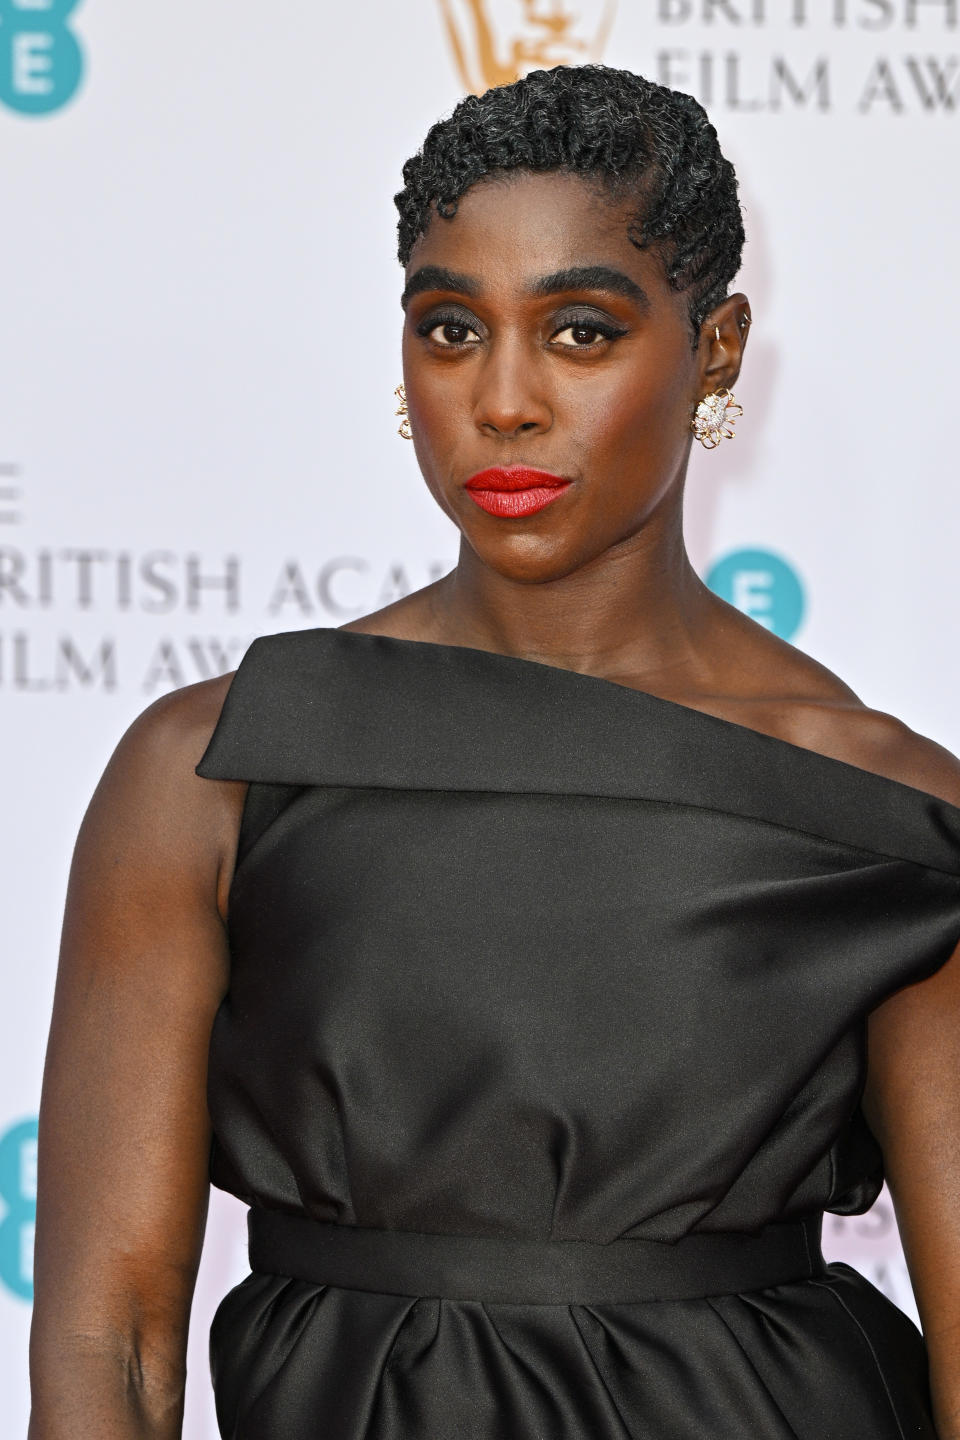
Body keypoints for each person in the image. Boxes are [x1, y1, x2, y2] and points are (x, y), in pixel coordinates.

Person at [28, 63, 960, 1440]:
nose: (505, 401)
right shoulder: (212, 771)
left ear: (715, 348)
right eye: (452, 329)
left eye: (580, 331)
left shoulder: (886, 810)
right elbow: (113, 1349)